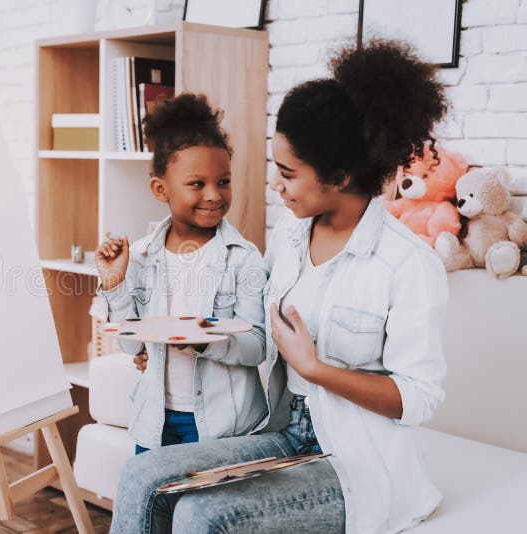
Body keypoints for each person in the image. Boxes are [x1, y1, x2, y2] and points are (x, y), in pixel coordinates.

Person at [112, 39, 449, 533]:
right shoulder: (289, 241)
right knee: (142, 473)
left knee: (202, 514)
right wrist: (163, 343)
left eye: (288, 173)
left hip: (355, 460)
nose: (275, 185)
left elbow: (419, 398)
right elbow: (247, 326)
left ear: (340, 175)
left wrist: (315, 368)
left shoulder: (406, 264)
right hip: (287, 431)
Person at [95, 93, 268, 454]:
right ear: (161, 189)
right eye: (196, 184)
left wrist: (206, 340)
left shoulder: (244, 258)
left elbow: (258, 348)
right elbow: (132, 344)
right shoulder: (141, 255)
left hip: (222, 425)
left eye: (223, 181)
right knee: (155, 506)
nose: (213, 195)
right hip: (154, 418)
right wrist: (115, 284)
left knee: (199, 511)